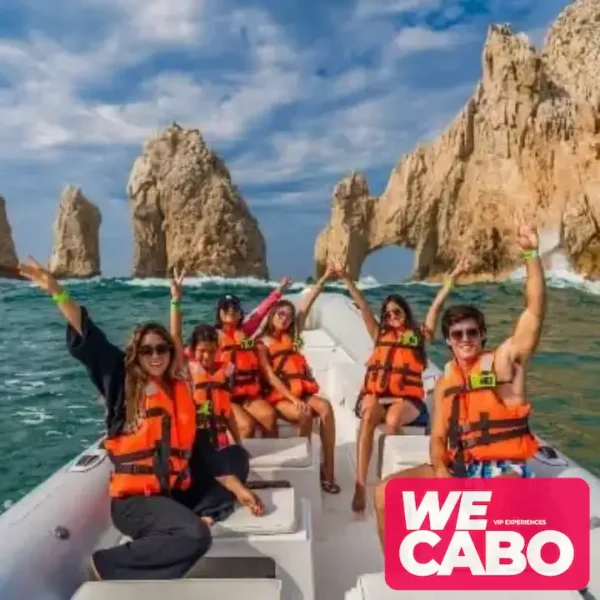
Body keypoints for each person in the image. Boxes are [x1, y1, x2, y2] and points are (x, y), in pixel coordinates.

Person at [17, 257, 210, 581]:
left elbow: (177, 342)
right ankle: (106, 564)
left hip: (166, 491)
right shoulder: (124, 378)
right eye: (147, 350)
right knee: (196, 537)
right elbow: (89, 337)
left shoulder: (174, 383)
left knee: (226, 480)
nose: (155, 355)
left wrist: (176, 301)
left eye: (161, 349)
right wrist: (57, 291)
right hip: (134, 502)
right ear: (136, 354)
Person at [373, 220, 546, 551]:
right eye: (457, 334)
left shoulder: (502, 363)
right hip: (458, 467)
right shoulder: (445, 382)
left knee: (488, 509)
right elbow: (438, 436)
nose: (465, 339)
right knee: (383, 494)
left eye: (471, 333)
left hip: (502, 471)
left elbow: (534, 314)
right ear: (449, 342)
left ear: (482, 335)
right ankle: (398, 574)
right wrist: (439, 467)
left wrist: (530, 253)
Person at [333, 259, 469, 512]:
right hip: (379, 395)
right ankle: (361, 486)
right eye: (388, 314)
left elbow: (437, 305)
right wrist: (345, 277)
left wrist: (454, 275)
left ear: (405, 313)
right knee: (368, 414)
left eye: (397, 312)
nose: (392, 317)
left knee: (394, 418)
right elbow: (362, 305)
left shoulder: (417, 336)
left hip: (407, 401)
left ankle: (396, 480)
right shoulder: (379, 335)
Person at [169, 269, 265, 520]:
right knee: (207, 473)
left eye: (211, 351)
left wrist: (239, 443)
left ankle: (220, 498)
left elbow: (226, 415)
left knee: (240, 459)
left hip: (219, 443)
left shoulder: (226, 371)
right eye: (201, 351)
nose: (206, 357)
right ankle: (228, 496)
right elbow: (176, 337)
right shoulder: (187, 372)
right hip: (195, 446)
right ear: (193, 350)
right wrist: (176, 300)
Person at [256, 267, 340, 494]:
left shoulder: (292, 337)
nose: (285, 319)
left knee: (326, 408)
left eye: (288, 316)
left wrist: (325, 276)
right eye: (280, 314)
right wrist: (293, 399)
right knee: (304, 413)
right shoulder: (261, 343)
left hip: (301, 391)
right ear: (272, 316)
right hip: (281, 396)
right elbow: (270, 377)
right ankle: (303, 465)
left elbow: (308, 301)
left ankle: (328, 469)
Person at [178, 276, 293, 439]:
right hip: (226, 395)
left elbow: (260, 313)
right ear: (219, 313)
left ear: (240, 314)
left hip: (248, 394)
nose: (230, 311)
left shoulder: (245, 332)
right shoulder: (211, 336)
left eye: (234, 309)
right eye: (226, 309)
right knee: (247, 425)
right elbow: (187, 353)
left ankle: (271, 458)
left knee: (270, 416)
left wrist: (278, 292)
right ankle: (242, 461)